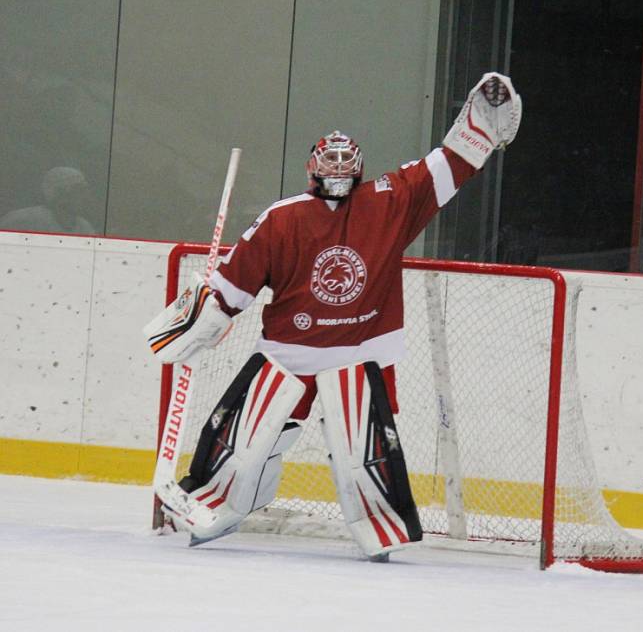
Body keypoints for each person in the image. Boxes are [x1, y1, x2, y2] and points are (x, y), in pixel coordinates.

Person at [144, 72, 522, 560]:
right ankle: (215, 505)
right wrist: (203, 317)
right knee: (245, 445)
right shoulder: (282, 219)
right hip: (287, 354)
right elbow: (233, 284)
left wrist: (481, 128)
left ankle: (378, 526)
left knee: (360, 454)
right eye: (331, 163)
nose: (339, 171)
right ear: (313, 168)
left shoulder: (389, 201)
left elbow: (443, 168)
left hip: (362, 353)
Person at [0, 166, 95, 234]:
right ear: (58, 193)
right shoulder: (22, 219)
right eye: (77, 189)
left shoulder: (85, 228)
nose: (84, 196)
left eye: (85, 189)